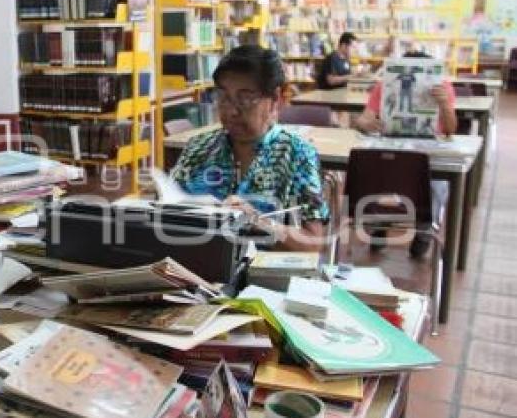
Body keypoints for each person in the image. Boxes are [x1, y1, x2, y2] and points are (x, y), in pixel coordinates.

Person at [170, 45, 330, 252]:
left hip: (263, 277)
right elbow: (166, 213)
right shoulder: (198, 148)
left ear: (275, 100)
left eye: (245, 99)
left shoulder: (297, 154)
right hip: (196, 264)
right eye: (224, 97)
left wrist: (258, 222)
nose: (232, 111)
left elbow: (313, 243)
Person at [354, 51, 457, 258]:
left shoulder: (443, 88)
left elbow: (450, 130)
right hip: (391, 145)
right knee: (377, 166)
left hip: (427, 148)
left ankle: (425, 230)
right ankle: (379, 222)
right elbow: (362, 120)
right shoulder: (384, 85)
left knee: (438, 181)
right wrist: (367, 123)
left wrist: (444, 104)